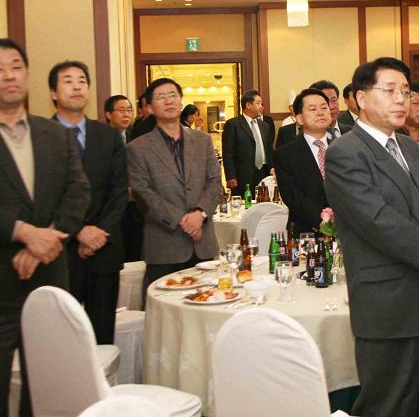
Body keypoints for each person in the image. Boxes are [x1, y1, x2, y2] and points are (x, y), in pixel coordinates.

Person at [0, 38, 89, 416]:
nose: (9, 74)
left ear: (26, 75)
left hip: (48, 281)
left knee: (46, 394)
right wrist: (25, 233)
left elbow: (77, 192)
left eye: (16, 66)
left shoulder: (55, 134)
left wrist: (47, 242)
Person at [325, 57, 419, 417]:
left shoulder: (415, 149)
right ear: (360, 98)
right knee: (388, 406)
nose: (402, 99)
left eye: (405, 91)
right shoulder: (345, 152)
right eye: (390, 91)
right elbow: (376, 219)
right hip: (387, 303)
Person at [48, 60, 128, 344]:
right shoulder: (39, 136)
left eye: (82, 80)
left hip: (105, 248)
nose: (77, 86)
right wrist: (79, 231)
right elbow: (43, 195)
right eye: (68, 81)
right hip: (60, 250)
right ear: (54, 93)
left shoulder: (108, 136)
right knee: (61, 335)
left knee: (102, 332)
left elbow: (120, 190)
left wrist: (98, 231)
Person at [128, 77, 223, 290]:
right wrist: (183, 221)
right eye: (161, 97)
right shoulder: (138, 148)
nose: (169, 101)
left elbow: (215, 182)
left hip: (203, 245)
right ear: (150, 108)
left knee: (207, 301)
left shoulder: (203, 141)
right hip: (164, 246)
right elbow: (143, 193)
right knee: (164, 306)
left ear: (181, 102)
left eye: (173, 95)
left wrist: (200, 214)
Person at [273, 88, 332, 235]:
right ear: (299, 118)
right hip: (306, 233)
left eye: (324, 107)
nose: (320, 112)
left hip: (348, 232)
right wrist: (328, 222)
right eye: (313, 109)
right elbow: (293, 197)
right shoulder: (285, 154)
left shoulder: (344, 148)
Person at [222, 89, 274, 195]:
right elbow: (228, 153)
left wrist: (273, 168)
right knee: (246, 202)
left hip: (264, 172)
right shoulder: (233, 125)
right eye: (258, 103)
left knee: (264, 201)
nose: (261, 106)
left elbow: (269, 150)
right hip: (243, 175)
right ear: (248, 105)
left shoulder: (264, 125)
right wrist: (230, 176)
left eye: (261, 103)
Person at [276, 79, 352, 148]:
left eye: (334, 100)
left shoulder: (352, 132)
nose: (332, 107)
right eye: (313, 109)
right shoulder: (291, 136)